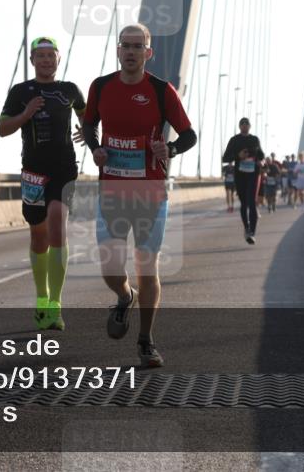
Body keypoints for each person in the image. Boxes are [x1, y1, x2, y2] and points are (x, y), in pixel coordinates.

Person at [81, 24, 196, 368]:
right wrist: (97, 148)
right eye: (125, 46)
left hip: (151, 193)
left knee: (148, 268)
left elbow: (189, 135)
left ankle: (146, 340)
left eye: (138, 46)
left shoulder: (162, 91)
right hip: (112, 191)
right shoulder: (101, 87)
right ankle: (123, 296)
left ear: (149, 53)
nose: (131, 52)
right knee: (110, 267)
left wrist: (170, 148)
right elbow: (89, 125)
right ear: (118, 50)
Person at [0, 36, 85, 331]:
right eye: (41, 55)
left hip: (64, 169)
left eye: (51, 55)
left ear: (59, 59)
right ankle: (41, 298)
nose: (46, 60)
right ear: (32, 60)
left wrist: (89, 133)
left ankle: (56, 305)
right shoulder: (21, 92)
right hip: (33, 171)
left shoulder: (69, 90)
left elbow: (89, 118)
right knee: (39, 235)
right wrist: (25, 114)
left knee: (58, 225)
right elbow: (2, 129)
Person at [221, 118, 264, 244]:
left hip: (253, 174)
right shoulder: (234, 140)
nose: (245, 125)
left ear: (250, 126)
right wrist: (238, 156)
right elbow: (225, 158)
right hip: (240, 175)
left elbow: (261, 155)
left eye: (247, 124)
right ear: (239, 126)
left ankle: (252, 232)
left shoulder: (254, 139)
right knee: (244, 203)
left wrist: (258, 158)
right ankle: (247, 228)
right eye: (242, 124)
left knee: (252, 202)